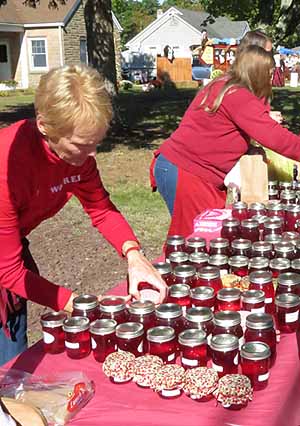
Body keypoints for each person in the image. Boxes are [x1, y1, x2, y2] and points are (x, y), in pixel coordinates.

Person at [0, 64, 167, 366]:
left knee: (14, 368)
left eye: (96, 144)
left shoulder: (79, 157)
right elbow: (10, 272)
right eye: (80, 145)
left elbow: (101, 208)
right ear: (44, 126)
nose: (91, 156)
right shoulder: (7, 165)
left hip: (9, 255)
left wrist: (135, 256)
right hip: (6, 265)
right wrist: (79, 305)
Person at [151, 45, 300, 239]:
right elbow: (276, 138)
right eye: (269, 73)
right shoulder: (238, 95)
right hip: (187, 172)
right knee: (195, 241)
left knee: (206, 238)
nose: (271, 79)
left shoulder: (224, 85)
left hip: (188, 171)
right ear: (258, 72)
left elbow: (221, 131)